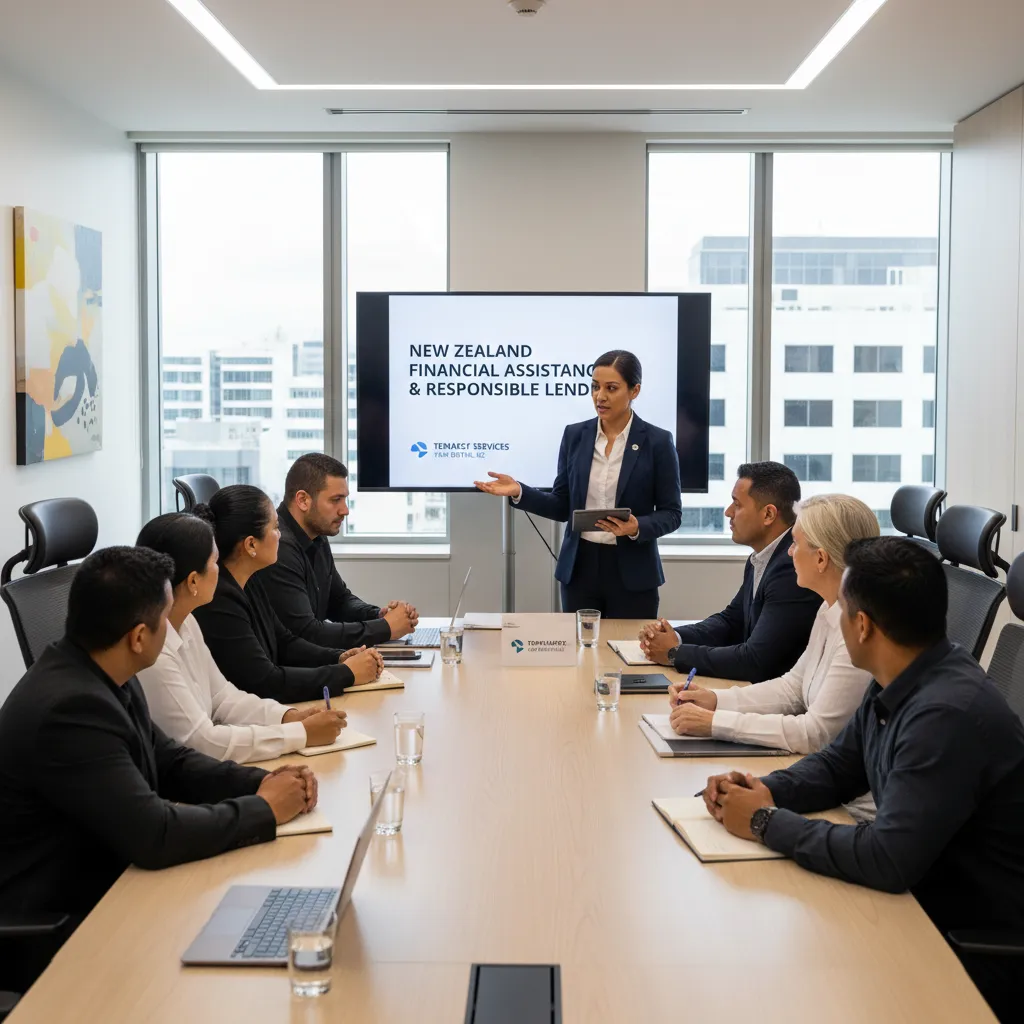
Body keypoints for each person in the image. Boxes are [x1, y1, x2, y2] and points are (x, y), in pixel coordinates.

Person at [702, 537, 1024, 1022]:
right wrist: (766, 788)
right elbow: (838, 767)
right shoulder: (903, 674)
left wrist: (766, 821)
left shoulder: (945, 714)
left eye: (841, 610)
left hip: (960, 944)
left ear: (862, 625)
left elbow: (886, 858)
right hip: (918, 904)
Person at [0, 547, 317, 988]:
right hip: (65, 922)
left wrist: (264, 781)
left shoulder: (99, 671)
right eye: (165, 621)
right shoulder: (70, 709)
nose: (172, 629)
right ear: (137, 637)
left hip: (116, 883)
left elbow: (171, 761)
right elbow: (154, 833)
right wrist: (264, 810)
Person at [666, 494, 879, 758]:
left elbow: (816, 734)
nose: (789, 553)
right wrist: (716, 700)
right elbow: (793, 688)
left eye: (795, 544)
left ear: (821, 559)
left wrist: (715, 723)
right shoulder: (829, 608)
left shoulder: (858, 632)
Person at [474, 350, 682, 618]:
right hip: (580, 568)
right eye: (595, 387)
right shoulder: (575, 435)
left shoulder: (658, 441)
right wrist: (520, 492)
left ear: (634, 391)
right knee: (581, 654)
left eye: (611, 388)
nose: (600, 396)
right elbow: (562, 506)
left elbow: (672, 513)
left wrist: (636, 527)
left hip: (633, 571)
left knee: (631, 653)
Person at [136, 513, 349, 762]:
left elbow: (224, 698)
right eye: (215, 562)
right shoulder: (154, 654)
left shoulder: (187, 621)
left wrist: (287, 716)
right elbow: (202, 742)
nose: (221, 570)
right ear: (193, 581)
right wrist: (299, 734)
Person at [191, 485, 383, 703]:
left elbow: (285, 642)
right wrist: (347, 674)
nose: (280, 535)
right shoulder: (219, 601)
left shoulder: (250, 579)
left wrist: (339, 657)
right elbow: (266, 682)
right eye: (275, 528)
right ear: (251, 544)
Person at [639, 462, 821, 681]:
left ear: (768, 515)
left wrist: (675, 653)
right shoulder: (762, 556)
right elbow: (731, 622)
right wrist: (673, 636)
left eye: (737, 504)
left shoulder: (791, 567)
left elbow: (756, 660)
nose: (728, 512)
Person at [261, 453, 419, 647]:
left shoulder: (316, 535)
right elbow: (306, 633)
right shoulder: (279, 546)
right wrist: (385, 628)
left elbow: (338, 601)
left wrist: (380, 615)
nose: (345, 510)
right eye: (336, 500)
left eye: (344, 499)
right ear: (302, 500)